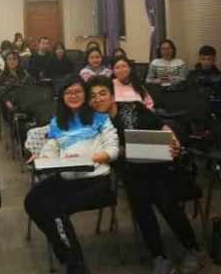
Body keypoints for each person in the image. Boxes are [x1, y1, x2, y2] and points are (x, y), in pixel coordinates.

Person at [87, 76, 203, 274]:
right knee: (140, 206)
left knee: (164, 200)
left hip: (159, 167)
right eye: (92, 96)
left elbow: (162, 127)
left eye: (102, 93)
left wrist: (174, 143)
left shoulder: (133, 107)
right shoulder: (93, 124)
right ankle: (159, 256)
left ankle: (193, 249)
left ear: (112, 95)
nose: (97, 99)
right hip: (130, 174)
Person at [24, 75, 118, 274]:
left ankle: (76, 264)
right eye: (68, 92)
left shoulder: (100, 119)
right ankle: (66, 253)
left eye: (78, 91)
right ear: (62, 96)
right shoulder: (58, 122)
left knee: (56, 208)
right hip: (68, 178)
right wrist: (41, 158)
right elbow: (51, 148)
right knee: (32, 201)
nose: (73, 96)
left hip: (96, 180)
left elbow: (113, 151)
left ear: (85, 94)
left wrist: (85, 159)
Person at [0, 51, 32, 116]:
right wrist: (12, 108)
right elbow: (3, 96)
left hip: (25, 103)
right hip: (10, 105)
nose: (12, 61)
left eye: (15, 59)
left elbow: (30, 90)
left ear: (18, 61)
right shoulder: (2, 76)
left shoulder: (25, 74)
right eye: (9, 59)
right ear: (6, 61)